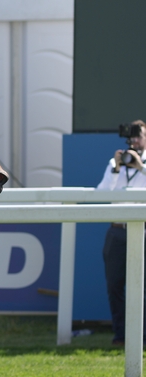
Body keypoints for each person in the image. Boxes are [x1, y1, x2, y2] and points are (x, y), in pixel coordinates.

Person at [95, 119, 146, 346]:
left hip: (142, 230)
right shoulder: (114, 163)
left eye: (140, 136)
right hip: (117, 231)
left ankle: (143, 336)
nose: (135, 140)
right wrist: (117, 168)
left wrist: (140, 167)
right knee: (114, 285)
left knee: (142, 285)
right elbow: (101, 194)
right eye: (132, 137)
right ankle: (121, 335)